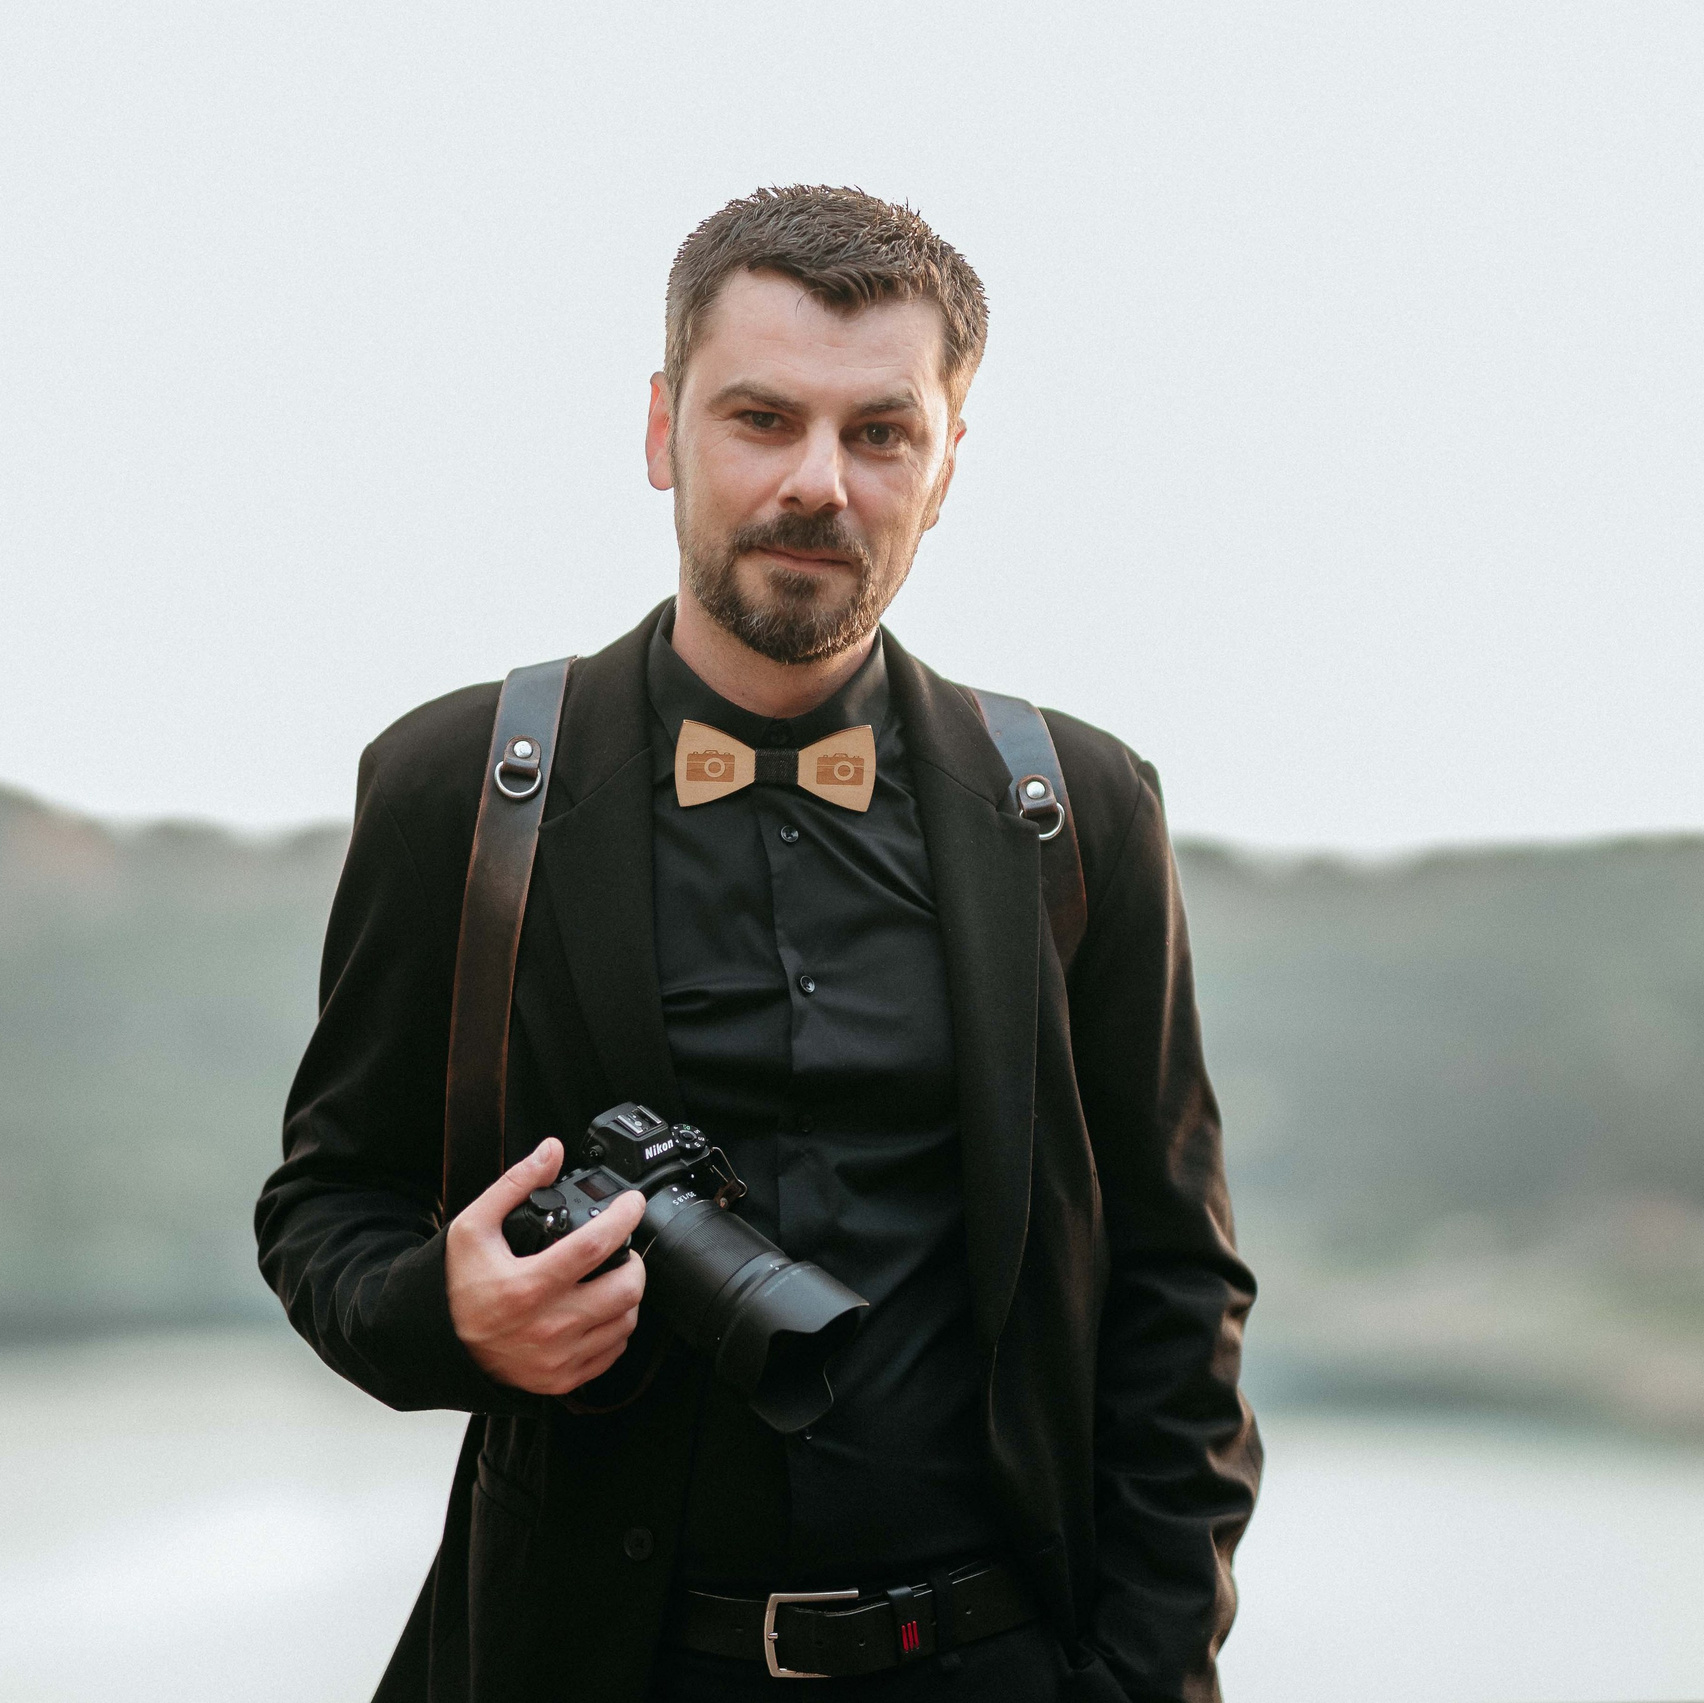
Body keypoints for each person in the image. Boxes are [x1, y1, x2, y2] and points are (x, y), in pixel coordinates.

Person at [256, 185, 1261, 1703]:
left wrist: (1145, 1678)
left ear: (946, 466)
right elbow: (329, 1207)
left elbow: (1178, 1292)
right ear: (663, 431)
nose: (819, 483)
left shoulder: (1079, 809)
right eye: (761, 418)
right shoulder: (456, 789)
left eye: (880, 433)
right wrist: (451, 1318)